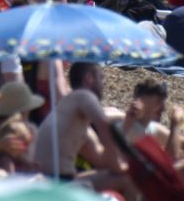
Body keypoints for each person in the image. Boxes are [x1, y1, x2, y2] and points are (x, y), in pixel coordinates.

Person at [28, 62, 131, 192]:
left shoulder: (73, 121)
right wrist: (120, 167)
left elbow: (101, 162)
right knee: (126, 180)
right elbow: (104, 126)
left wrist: (129, 123)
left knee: (122, 175)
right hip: (54, 181)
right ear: (89, 79)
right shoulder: (83, 96)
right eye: (101, 77)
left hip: (55, 179)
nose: (104, 83)